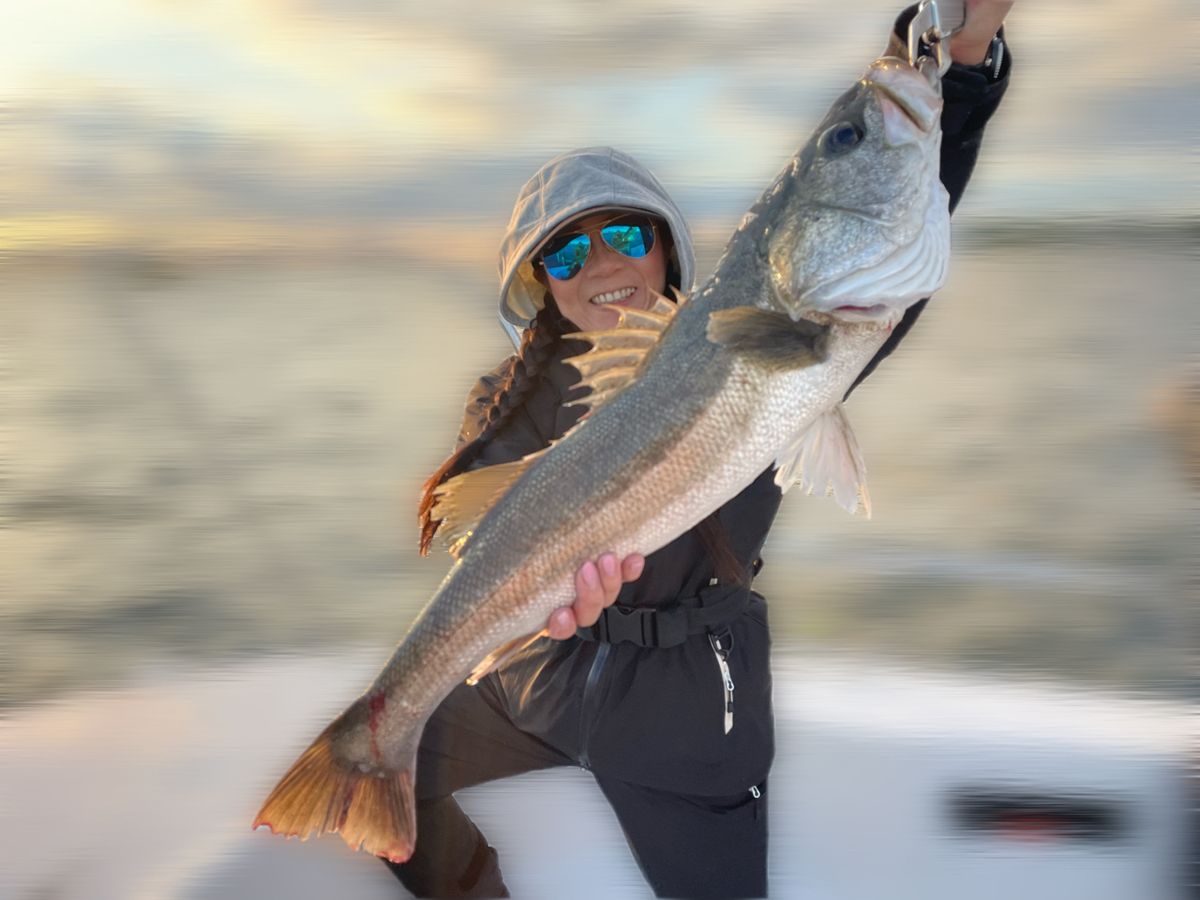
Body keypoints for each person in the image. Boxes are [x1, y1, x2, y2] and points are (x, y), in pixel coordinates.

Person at [390, 3, 1014, 896]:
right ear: (539, 287)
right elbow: (490, 539)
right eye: (565, 254)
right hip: (540, 677)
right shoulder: (502, 396)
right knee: (378, 767)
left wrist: (960, 60)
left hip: (687, 702)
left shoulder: (780, 331)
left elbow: (894, 210)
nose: (601, 262)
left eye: (624, 234)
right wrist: (546, 602)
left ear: (665, 250)